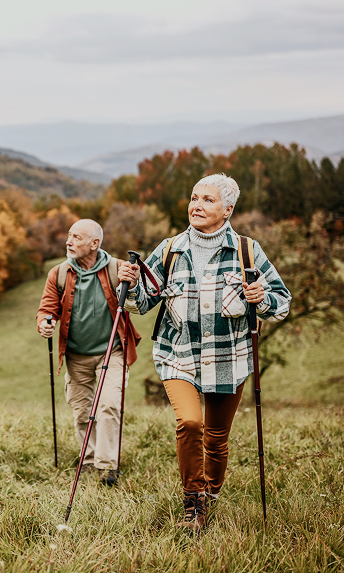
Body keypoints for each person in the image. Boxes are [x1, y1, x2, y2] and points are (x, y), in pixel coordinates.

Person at [118, 173, 291, 531]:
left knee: (216, 439)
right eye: (194, 198)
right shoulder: (169, 250)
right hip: (177, 355)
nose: (196, 205)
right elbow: (144, 302)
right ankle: (193, 502)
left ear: (228, 209)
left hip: (229, 359)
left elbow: (281, 303)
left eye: (208, 200)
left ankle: (210, 494)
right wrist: (131, 284)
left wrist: (263, 298)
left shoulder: (247, 251)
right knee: (190, 422)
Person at [37, 219, 141, 486]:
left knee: (108, 405)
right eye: (69, 235)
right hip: (76, 356)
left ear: (94, 243)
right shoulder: (58, 273)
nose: (69, 241)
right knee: (82, 410)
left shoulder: (118, 269)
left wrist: (135, 283)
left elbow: (139, 300)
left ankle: (108, 467)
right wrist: (45, 322)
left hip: (113, 351)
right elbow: (48, 308)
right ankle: (89, 459)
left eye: (76, 237)